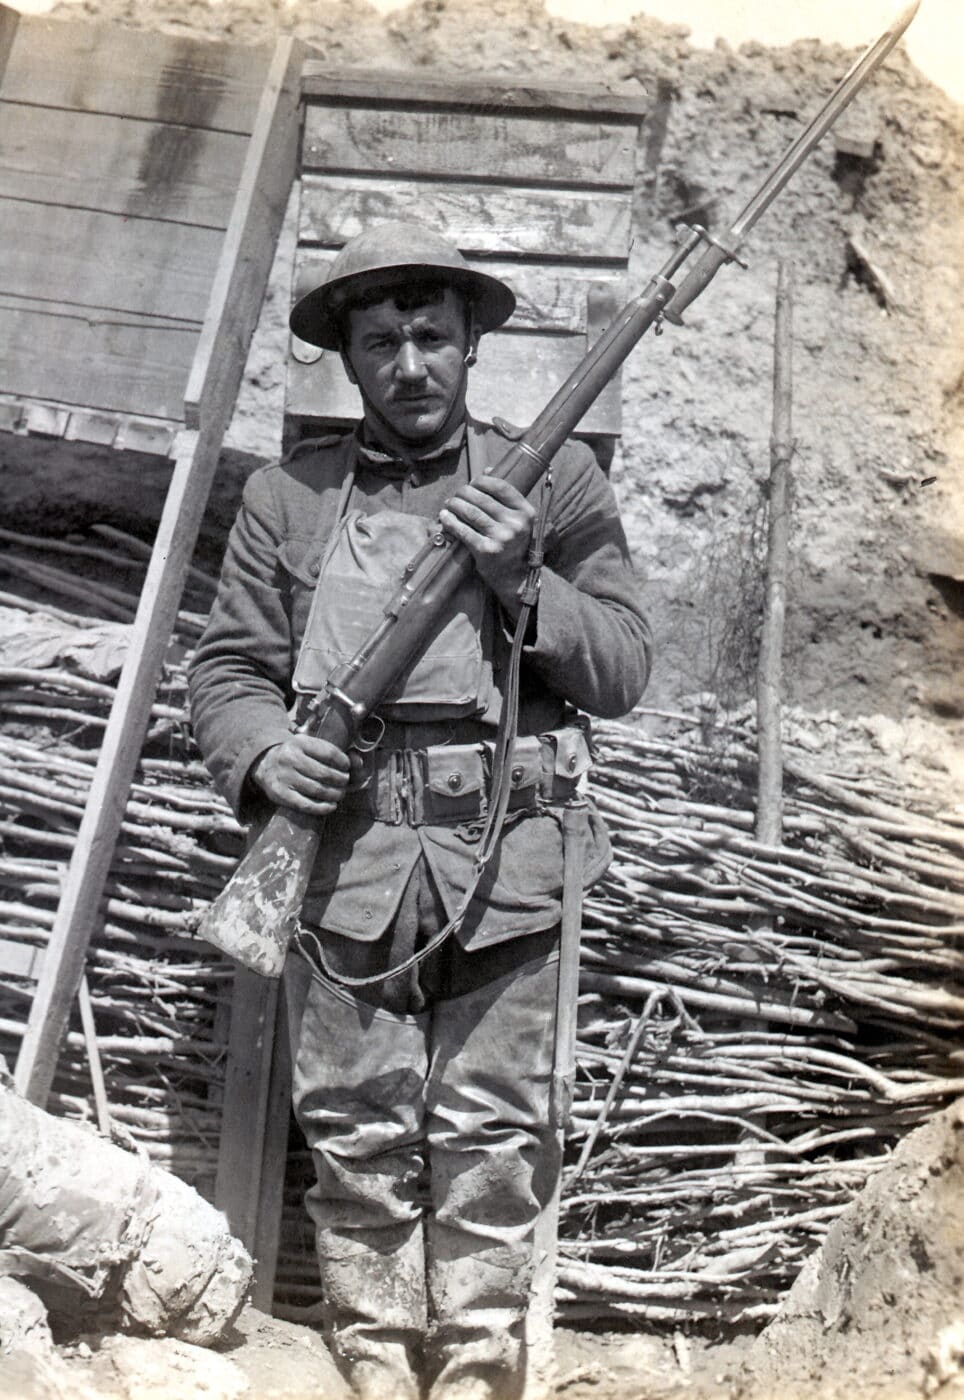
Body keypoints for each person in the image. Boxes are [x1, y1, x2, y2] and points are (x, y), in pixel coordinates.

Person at [188, 221, 651, 1400]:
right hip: (344, 851)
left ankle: (482, 1352)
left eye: (432, 336)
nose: (409, 364)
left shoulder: (553, 479)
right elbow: (228, 668)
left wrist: (523, 580)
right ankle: (378, 1346)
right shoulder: (287, 498)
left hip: (508, 857)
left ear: (470, 347)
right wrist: (260, 759)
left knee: (495, 1125)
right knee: (353, 1117)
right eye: (381, 339)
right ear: (346, 358)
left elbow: (627, 667)